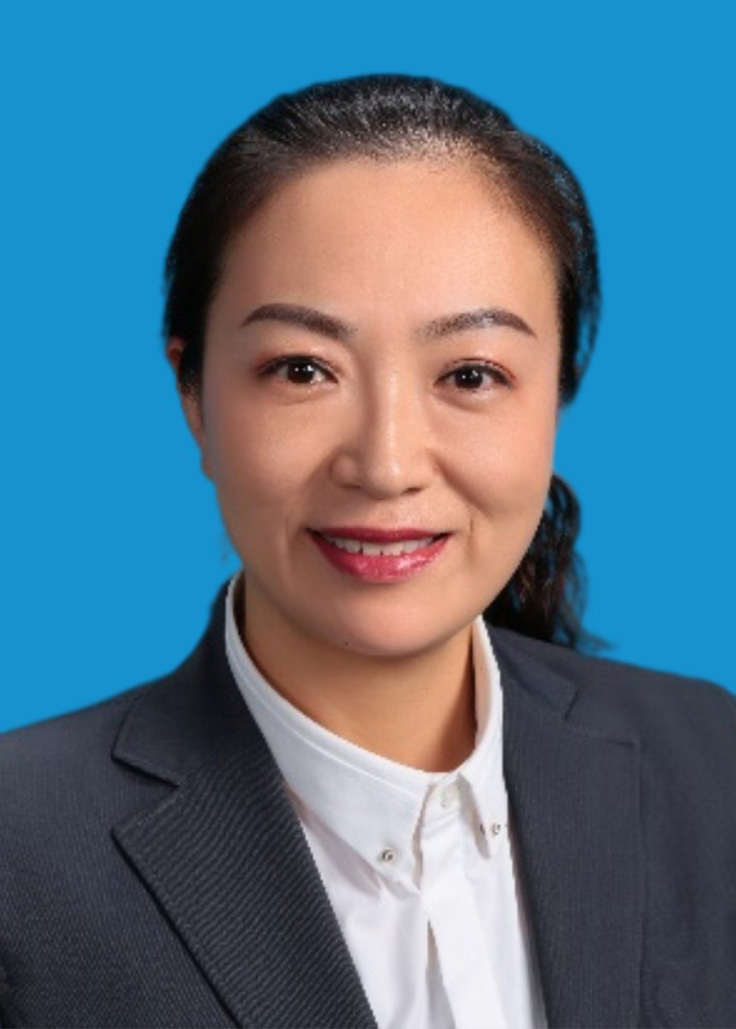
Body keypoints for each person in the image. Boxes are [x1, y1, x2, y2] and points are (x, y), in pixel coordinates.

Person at [1, 74, 733, 1029]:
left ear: (556, 394)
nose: (386, 466)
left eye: (470, 374)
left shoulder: (709, 763)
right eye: (303, 369)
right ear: (195, 397)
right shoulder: (22, 849)